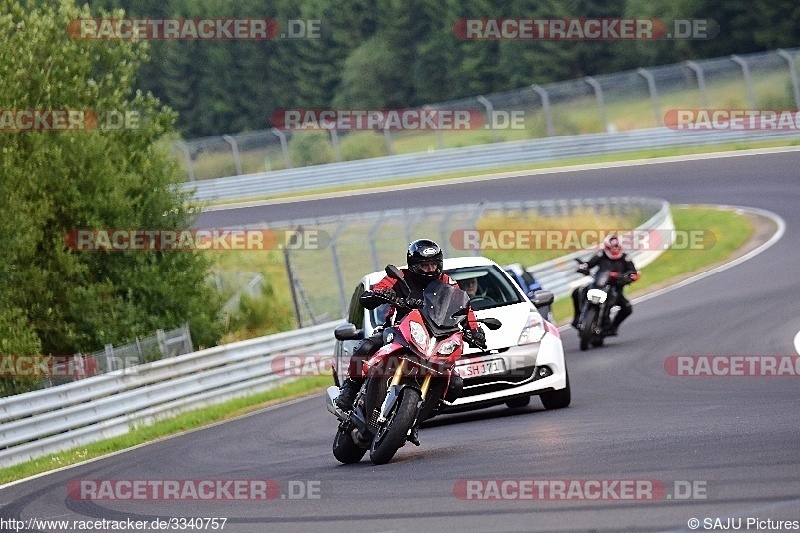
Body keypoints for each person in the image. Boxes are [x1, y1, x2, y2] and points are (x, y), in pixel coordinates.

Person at [335, 239, 486, 444]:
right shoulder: (399, 277)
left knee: (455, 384)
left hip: (434, 337)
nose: (430, 269)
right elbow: (371, 295)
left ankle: (414, 419)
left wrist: (475, 331)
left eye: (434, 264)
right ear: (413, 264)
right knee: (368, 346)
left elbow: (464, 309)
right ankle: (350, 388)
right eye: (425, 265)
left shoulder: (448, 283)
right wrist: (381, 294)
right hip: (398, 331)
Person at [571, 234, 639, 335]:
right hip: (598, 285)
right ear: (607, 247)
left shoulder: (625, 258)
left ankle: (613, 327)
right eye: (612, 247)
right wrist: (583, 267)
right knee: (577, 292)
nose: (615, 250)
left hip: (615, 289)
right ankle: (577, 318)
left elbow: (634, 273)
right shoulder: (601, 255)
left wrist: (628, 277)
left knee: (627, 307)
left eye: (617, 247)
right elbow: (589, 264)